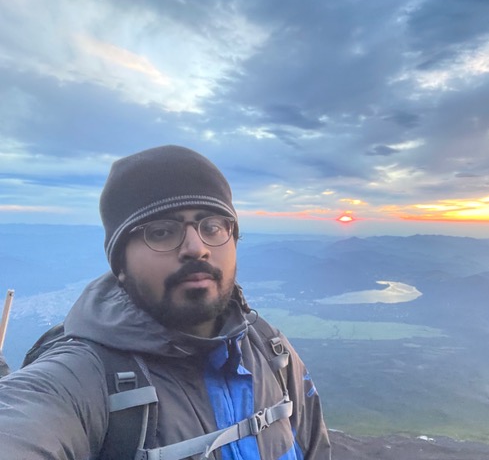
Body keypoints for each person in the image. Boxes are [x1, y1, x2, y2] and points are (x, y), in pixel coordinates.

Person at [0, 145, 331, 459]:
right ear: (121, 266)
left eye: (212, 226)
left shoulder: (271, 351)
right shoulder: (83, 379)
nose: (195, 247)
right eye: (160, 231)